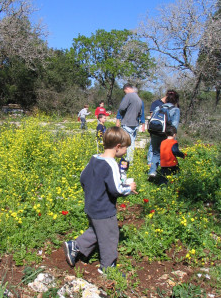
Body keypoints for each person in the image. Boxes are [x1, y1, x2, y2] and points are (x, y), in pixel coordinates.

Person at [63, 127, 137, 274]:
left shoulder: (95, 158)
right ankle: (108, 268)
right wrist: (129, 187)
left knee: (98, 231)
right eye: (126, 148)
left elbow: (83, 177)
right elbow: (117, 189)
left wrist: (92, 192)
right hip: (104, 209)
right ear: (118, 147)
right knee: (109, 236)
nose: (126, 151)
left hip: (91, 205)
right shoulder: (111, 164)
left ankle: (75, 246)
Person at [148, 90, 180, 180]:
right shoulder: (175, 110)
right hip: (166, 135)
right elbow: (174, 126)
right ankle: (163, 175)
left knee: (155, 153)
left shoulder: (158, 107)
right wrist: (173, 139)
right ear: (175, 100)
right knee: (165, 155)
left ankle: (152, 172)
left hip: (155, 133)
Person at [118, 84, 142, 163]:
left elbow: (121, 108)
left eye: (125, 91)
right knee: (132, 142)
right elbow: (140, 113)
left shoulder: (128, 96)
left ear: (127, 89)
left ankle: (129, 161)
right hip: (135, 123)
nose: (125, 93)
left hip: (127, 122)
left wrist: (122, 115)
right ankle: (129, 159)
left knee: (127, 142)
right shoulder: (138, 98)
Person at [147, 96, 166, 166]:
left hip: (163, 129)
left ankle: (158, 163)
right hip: (155, 127)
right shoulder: (156, 103)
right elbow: (152, 115)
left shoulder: (168, 105)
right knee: (152, 146)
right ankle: (150, 162)